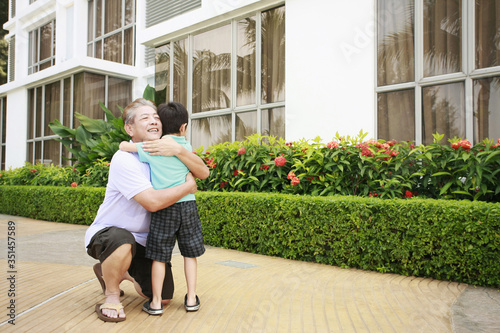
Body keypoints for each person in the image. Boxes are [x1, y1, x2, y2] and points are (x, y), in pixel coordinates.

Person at [84, 98, 209, 322]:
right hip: (109, 234)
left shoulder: (167, 150)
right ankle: (112, 296)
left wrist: (179, 150)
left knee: (163, 298)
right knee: (122, 240)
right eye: (145, 118)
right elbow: (152, 202)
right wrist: (188, 187)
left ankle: (117, 272)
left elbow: (203, 171)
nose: (153, 122)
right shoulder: (124, 159)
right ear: (129, 128)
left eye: (156, 118)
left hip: (143, 241)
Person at [119, 102, 206, 315]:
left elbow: (124, 147)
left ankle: (156, 302)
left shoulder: (153, 147)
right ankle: (192, 298)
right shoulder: (186, 147)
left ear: (161, 125)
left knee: (159, 256)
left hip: (164, 208)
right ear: (183, 127)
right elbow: (201, 171)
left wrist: (125, 142)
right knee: (189, 255)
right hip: (188, 206)